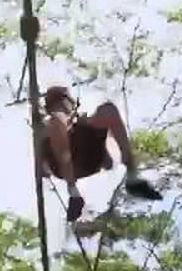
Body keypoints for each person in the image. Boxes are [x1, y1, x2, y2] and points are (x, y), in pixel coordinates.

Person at [35, 85, 163, 224]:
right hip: (63, 166)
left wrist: (89, 129)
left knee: (108, 110)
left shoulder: (78, 123)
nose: (69, 105)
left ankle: (133, 176)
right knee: (57, 122)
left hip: (87, 157)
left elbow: (107, 161)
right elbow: (42, 167)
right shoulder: (51, 123)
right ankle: (73, 192)